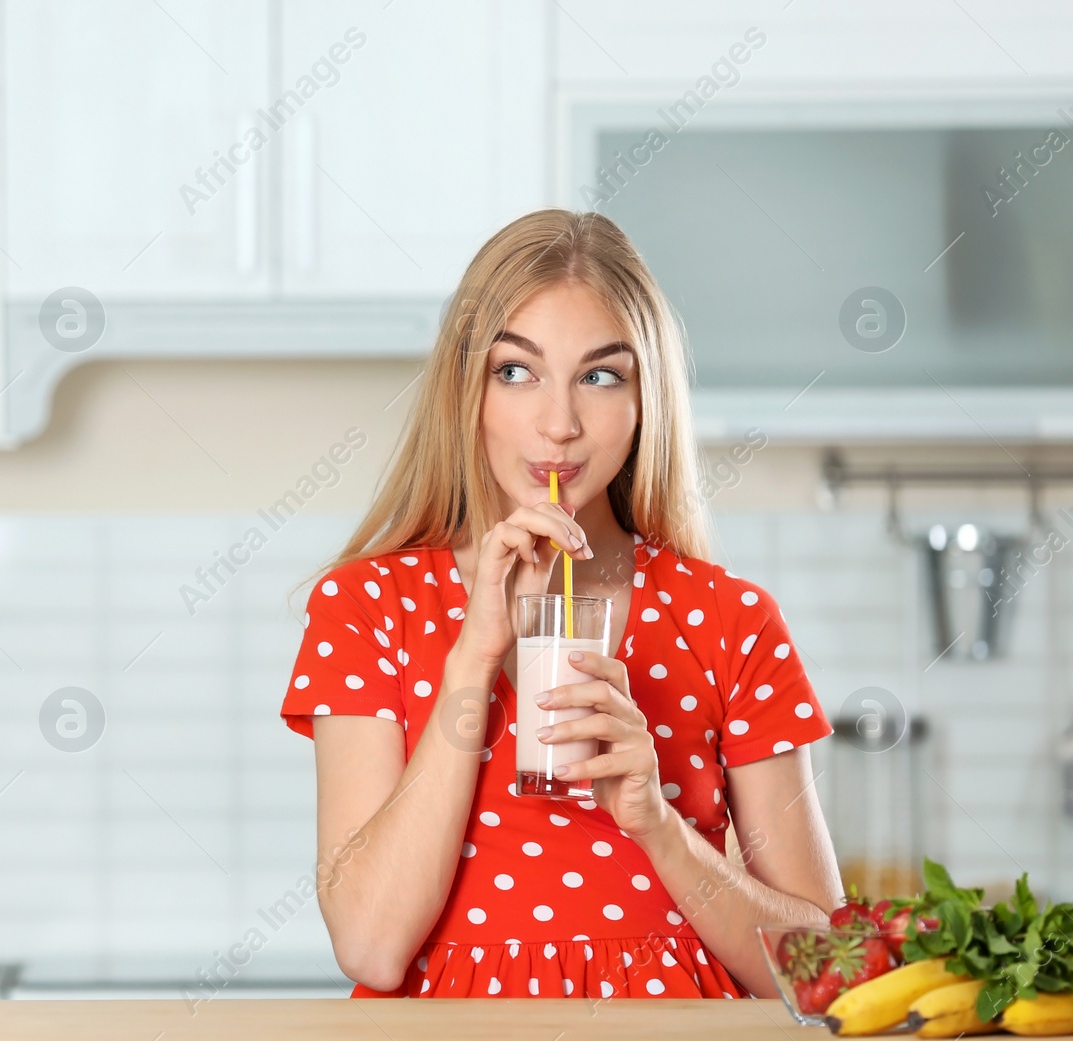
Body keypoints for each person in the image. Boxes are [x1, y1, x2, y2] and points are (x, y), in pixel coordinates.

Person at [278, 209, 841, 1000]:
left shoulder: (731, 619)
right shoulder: (370, 606)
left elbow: (825, 969)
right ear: (465, 391)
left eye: (600, 375)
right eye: (516, 371)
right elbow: (371, 944)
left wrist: (660, 825)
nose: (560, 424)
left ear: (646, 400)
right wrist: (473, 654)